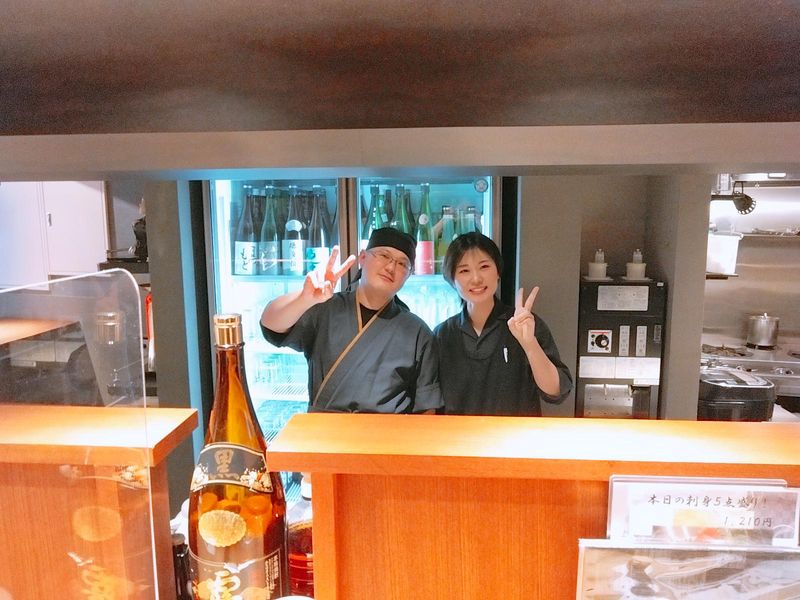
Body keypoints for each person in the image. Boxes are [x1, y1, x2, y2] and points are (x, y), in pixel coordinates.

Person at [260, 227, 442, 414]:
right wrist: (304, 299)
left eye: (402, 264)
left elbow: (427, 408)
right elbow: (270, 324)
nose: (391, 268)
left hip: (387, 432)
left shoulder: (418, 332)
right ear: (362, 257)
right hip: (324, 430)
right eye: (384, 255)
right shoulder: (326, 308)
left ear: (409, 275)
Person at [434, 232, 572, 415]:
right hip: (459, 433)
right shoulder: (443, 334)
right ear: (452, 280)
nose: (476, 279)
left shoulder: (524, 324)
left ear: (498, 271)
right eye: (464, 270)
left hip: (514, 432)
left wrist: (530, 344)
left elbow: (556, 391)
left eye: (484, 266)